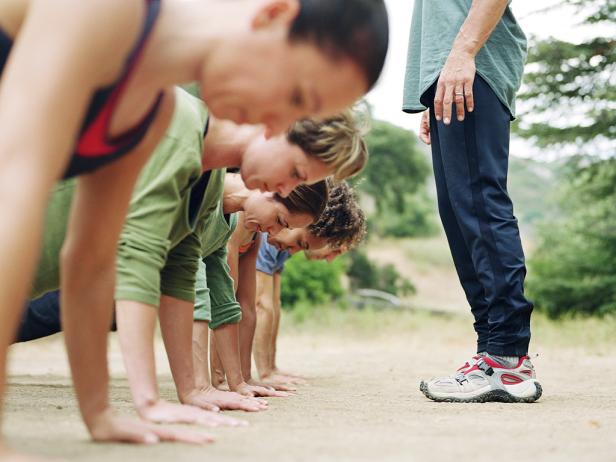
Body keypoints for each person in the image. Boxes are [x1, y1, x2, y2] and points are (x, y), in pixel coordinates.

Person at [0, 0, 389, 451]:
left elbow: (90, 261)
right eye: (297, 96)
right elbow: (14, 186)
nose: (276, 125)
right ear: (274, 15)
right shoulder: (106, 10)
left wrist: (101, 415)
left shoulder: (154, 111)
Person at [21, 87, 366, 429]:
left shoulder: (210, 181)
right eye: (295, 173)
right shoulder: (178, 127)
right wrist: (148, 402)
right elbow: (139, 259)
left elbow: (180, 272)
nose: (286, 189)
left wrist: (194, 390)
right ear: (275, 125)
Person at [402, 0, 541, 403]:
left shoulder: (467, 57)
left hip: (472, 67)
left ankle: (508, 358)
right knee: (459, 214)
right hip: (450, 76)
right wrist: (434, 84)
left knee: (480, 207)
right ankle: (491, 353)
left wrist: (462, 55)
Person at [253, 181, 367, 386]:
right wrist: (265, 375)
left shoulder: (282, 247)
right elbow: (261, 306)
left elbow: (274, 305)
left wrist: (271, 369)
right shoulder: (270, 237)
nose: (331, 259)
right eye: (335, 250)